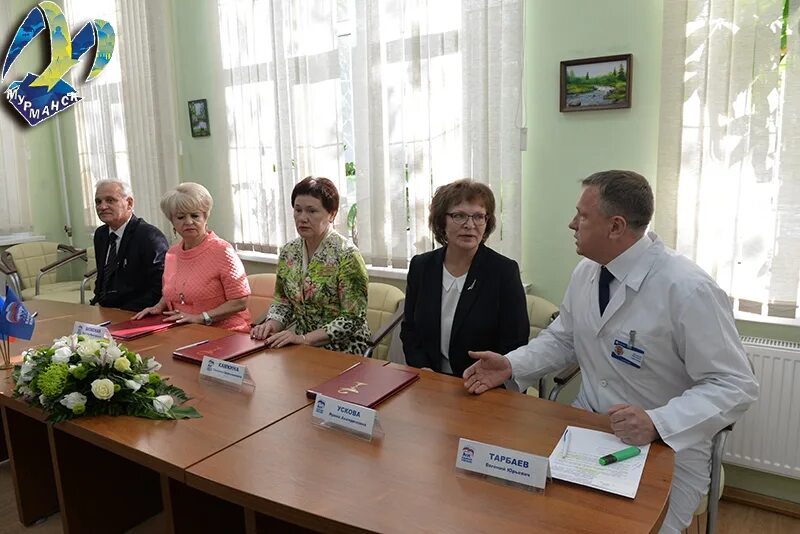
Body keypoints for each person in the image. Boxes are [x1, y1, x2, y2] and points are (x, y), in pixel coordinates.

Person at [462, 170, 758, 534]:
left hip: (667, 449)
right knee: (539, 515)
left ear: (615, 227)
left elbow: (735, 384)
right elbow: (562, 339)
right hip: (588, 428)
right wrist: (510, 364)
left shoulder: (687, 289)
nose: (572, 223)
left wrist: (657, 423)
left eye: (582, 216)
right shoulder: (586, 273)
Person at [401, 179, 529, 377]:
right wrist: (423, 369)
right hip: (429, 380)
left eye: (479, 216)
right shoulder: (421, 266)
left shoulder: (503, 272)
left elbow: (515, 342)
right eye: (459, 216)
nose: (470, 225)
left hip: (481, 384)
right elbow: (410, 330)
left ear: (487, 223)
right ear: (442, 221)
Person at [250, 176, 370, 355]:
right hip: (300, 345)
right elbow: (282, 301)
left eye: (312, 211)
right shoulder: (289, 251)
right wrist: (271, 324)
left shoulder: (347, 255)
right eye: (298, 210)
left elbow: (352, 319)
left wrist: (305, 339)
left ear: (332, 214)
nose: (302, 218)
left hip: (343, 349)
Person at [133, 182, 251, 332]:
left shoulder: (222, 250)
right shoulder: (172, 253)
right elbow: (172, 292)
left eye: (195, 216)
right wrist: (158, 307)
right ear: (173, 223)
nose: (188, 222)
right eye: (181, 217)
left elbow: (240, 301)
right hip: (183, 330)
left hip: (224, 332)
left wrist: (201, 317)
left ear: (205, 218)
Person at [91, 179, 169, 312]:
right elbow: (103, 276)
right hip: (105, 311)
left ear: (129, 203)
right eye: (98, 201)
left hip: (136, 312)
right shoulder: (101, 234)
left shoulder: (149, 236)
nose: (102, 207)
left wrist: (123, 311)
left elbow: (160, 287)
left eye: (110, 200)